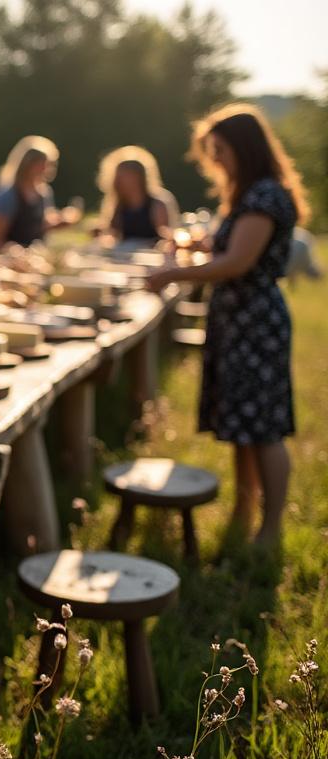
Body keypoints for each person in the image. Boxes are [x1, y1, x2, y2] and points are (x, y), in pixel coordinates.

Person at [145, 104, 309, 548]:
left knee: (265, 430)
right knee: (244, 427)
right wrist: (200, 243)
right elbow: (232, 248)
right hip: (240, 320)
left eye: (219, 149)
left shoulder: (264, 197)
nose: (215, 159)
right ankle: (244, 511)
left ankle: (270, 529)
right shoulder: (252, 193)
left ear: (244, 148)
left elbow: (238, 262)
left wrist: (172, 274)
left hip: (254, 322)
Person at [0, 135, 76, 249]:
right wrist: (12, 251)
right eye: (41, 165)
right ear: (27, 165)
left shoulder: (44, 193)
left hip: (37, 256)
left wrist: (61, 222)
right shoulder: (9, 195)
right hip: (12, 260)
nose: (45, 169)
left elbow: (40, 226)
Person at [96, 145, 177, 245]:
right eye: (120, 178)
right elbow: (112, 235)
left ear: (140, 178)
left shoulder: (157, 204)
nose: (124, 182)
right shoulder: (118, 205)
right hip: (124, 257)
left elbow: (166, 235)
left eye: (127, 177)